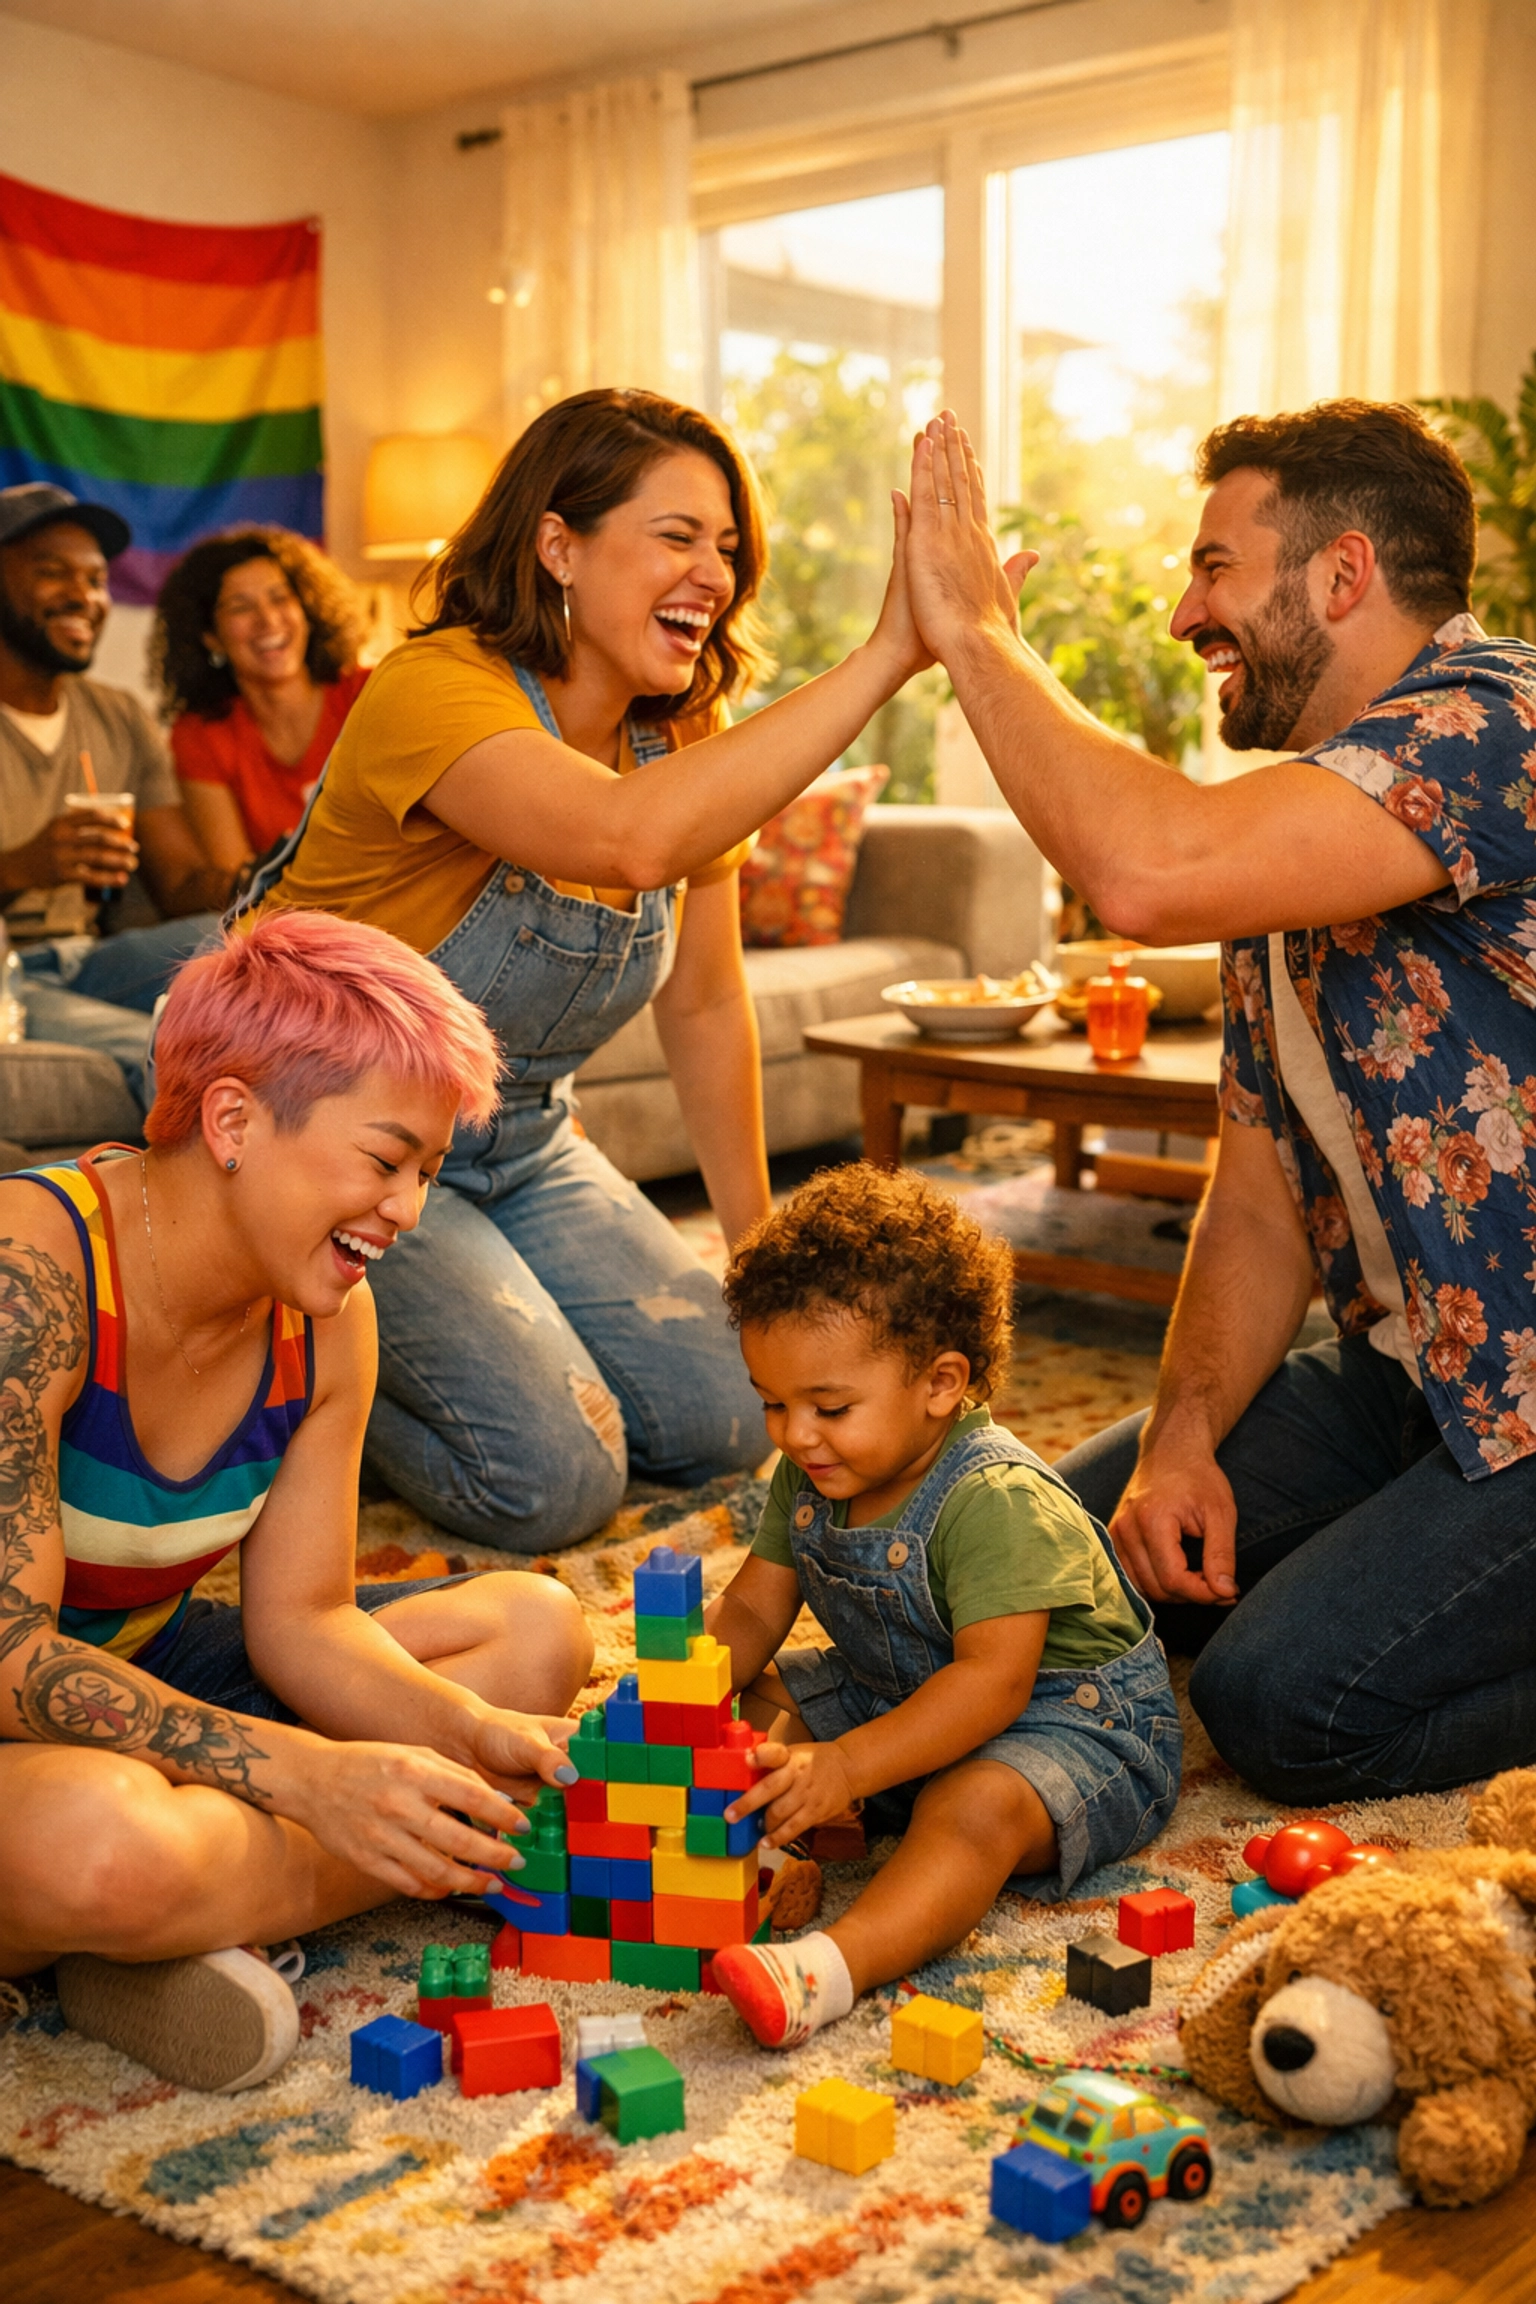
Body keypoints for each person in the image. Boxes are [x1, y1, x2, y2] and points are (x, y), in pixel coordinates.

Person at [901, 397, 1536, 1806]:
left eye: (1214, 567)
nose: (1186, 609)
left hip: (1532, 1390)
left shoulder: (1496, 725)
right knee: (1026, 1558)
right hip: (1409, 1372)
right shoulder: (1294, 838)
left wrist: (978, 639)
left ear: (1343, 575)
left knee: (1280, 1700)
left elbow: (1141, 874)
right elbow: (1254, 1191)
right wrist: (1182, 1436)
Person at [241, 386, 930, 1553]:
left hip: (523, 1142)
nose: (714, 573)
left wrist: (758, 1252)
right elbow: (626, 837)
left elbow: (708, 1002)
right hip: (342, 1147)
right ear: (558, 543)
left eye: (726, 547)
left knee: (730, 1414)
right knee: (552, 1482)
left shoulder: (681, 734)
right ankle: (271, 1345)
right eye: (676, 537)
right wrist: (887, 657)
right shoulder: (434, 691)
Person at [0, 909, 594, 2093]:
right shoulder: (33, 1270)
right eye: (385, 1161)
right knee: (101, 1840)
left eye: (428, 1172)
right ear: (232, 1120)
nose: (410, 1210)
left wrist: (458, 1732)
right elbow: (9, 1653)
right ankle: (148, 1905)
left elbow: (303, 1622)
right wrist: (305, 1775)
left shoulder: (329, 1318)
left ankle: (150, 1925)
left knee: (533, 1638)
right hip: (25, 1711)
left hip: (150, 1673)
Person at [699, 1165, 1179, 2050]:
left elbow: (994, 1689)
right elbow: (749, 1615)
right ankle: (730, 1851)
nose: (795, 1434)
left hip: (1070, 1724)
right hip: (902, 1690)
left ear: (941, 1383)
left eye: (829, 1406)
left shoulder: (995, 1496)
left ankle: (829, 1968)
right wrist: (666, 1707)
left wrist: (844, 1768)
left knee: (968, 1806)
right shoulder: (809, 1472)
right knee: (754, 1706)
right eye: (773, 1403)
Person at [0, 482, 233, 1110]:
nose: (85, 597)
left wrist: (281, 878)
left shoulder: (118, 715)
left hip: (91, 957)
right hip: (7, 972)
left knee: (242, 942)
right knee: (178, 1055)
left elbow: (179, 880)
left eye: (97, 579)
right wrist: (24, 865)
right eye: (53, 574)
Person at [156, 528, 370, 872]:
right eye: (241, 607)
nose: (268, 620)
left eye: (280, 598)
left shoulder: (368, 693)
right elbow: (237, 880)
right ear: (210, 636)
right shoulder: (200, 735)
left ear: (307, 610)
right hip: (289, 918)